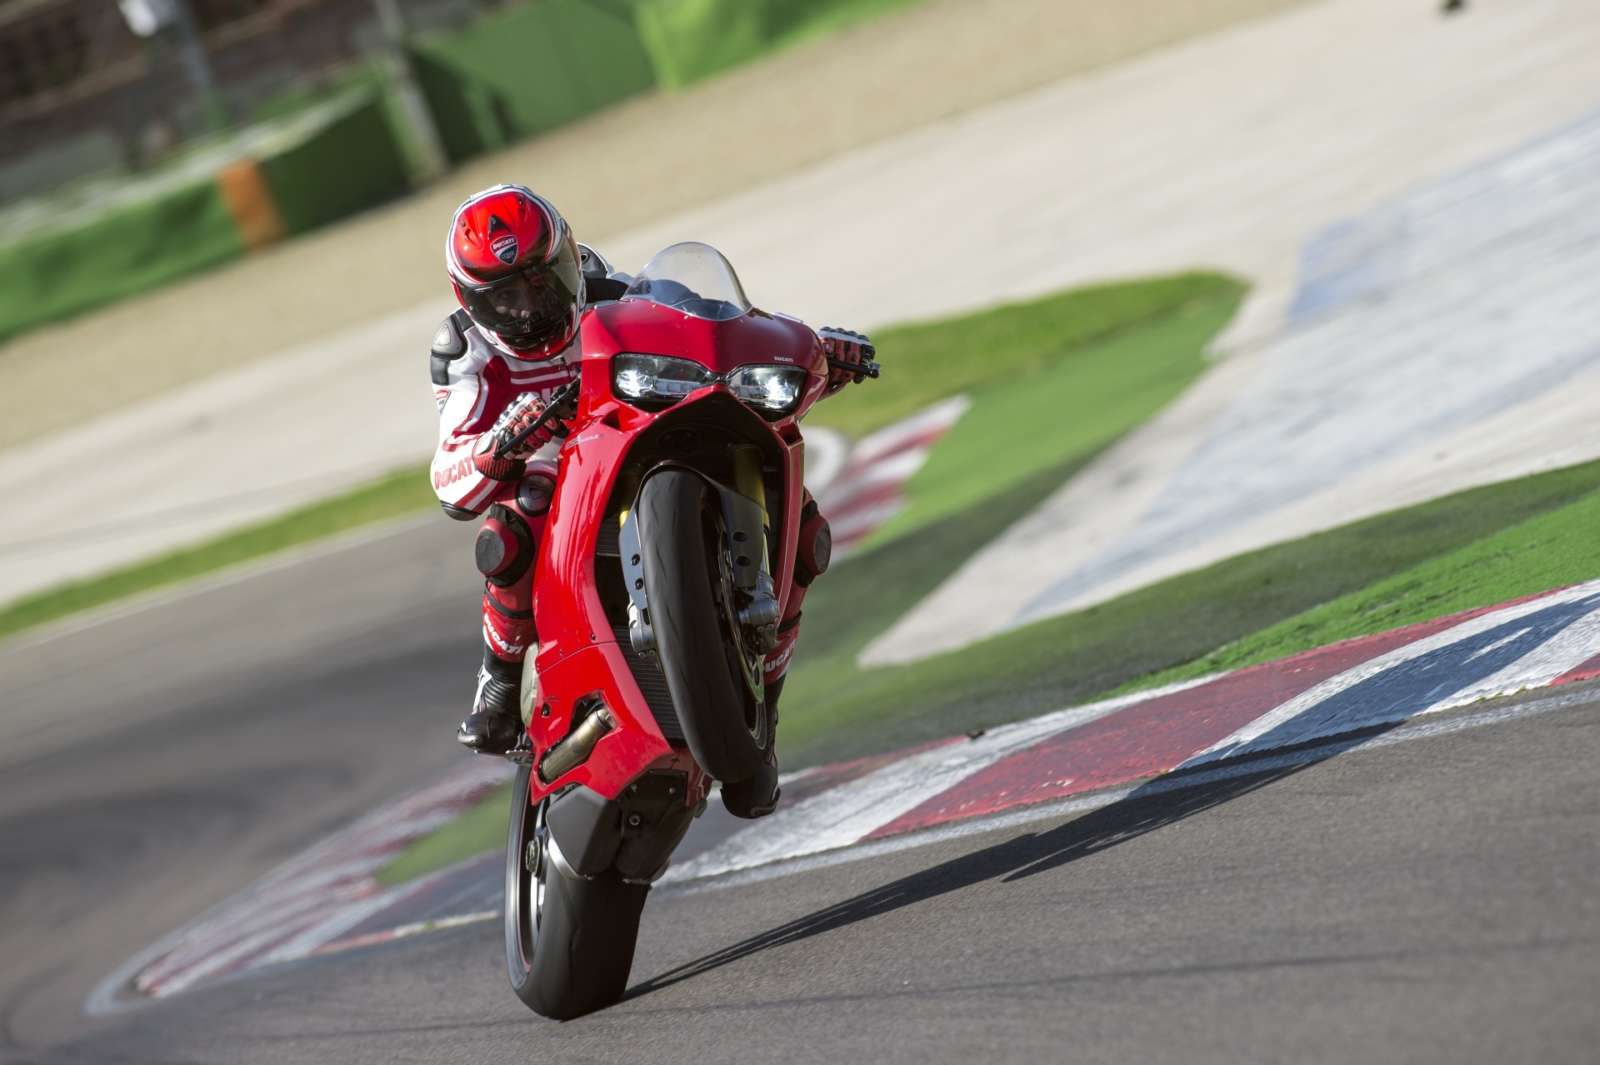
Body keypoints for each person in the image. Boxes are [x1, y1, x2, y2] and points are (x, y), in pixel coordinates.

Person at [428, 184, 875, 817]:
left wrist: (820, 354)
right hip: (555, 468)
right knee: (512, 522)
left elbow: (720, 333)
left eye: (542, 282)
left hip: (640, 433)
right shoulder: (464, 351)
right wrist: (497, 446)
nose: (530, 308)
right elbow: (448, 477)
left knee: (802, 526)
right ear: (472, 301)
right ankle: (498, 683)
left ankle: (764, 714)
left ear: (568, 260)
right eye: (506, 297)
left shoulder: (618, 291)